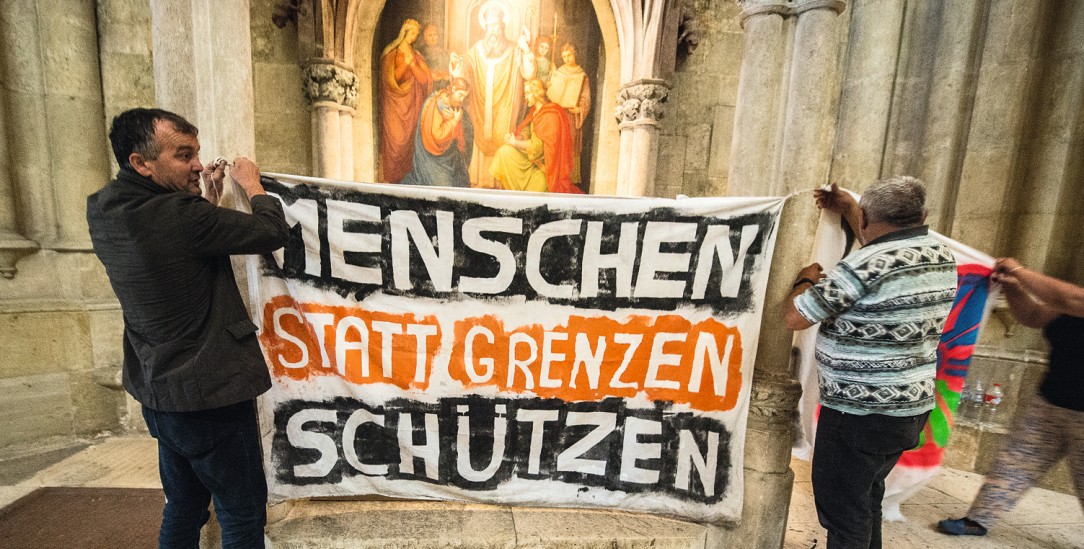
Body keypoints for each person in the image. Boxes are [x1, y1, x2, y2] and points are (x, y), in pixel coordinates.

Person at [86, 108, 289, 548]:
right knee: (242, 513)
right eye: (183, 156)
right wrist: (253, 186)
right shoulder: (184, 217)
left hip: (160, 395)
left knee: (184, 506)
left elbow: (172, 251)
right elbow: (270, 230)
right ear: (140, 162)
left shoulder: (103, 209)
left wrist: (203, 203)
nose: (198, 164)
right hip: (210, 396)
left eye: (196, 153)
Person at [783, 178, 958, 549]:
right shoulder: (937, 253)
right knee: (866, 499)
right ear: (923, 215)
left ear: (864, 217)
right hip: (907, 409)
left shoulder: (862, 265)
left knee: (844, 511)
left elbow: (796, 317)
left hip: (859, 413)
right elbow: (883, 262)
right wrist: (849, 207)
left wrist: (804, 280)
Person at [938, 259, 1084, 536]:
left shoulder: (1075, 299)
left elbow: (1071, 298)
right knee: (1014, 463)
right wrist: (1014, 288)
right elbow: (1033, 316)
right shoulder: (1069, 304)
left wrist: (1019, 271)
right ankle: (978, 519)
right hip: (1051, 400)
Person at [449, 4, 535, 188]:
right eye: (489, 26)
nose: (492, 31)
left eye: (496, 26)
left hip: (504, 107)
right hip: (481, 106)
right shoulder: (477, 49)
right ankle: (482, 181)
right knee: (481, 143)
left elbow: (528, 74)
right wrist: (457, 65)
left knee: (502, 138)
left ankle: (500, 183)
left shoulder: (513, 50)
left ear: (503, 27)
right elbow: (464, 67)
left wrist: (526, 51)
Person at [490, 78, 582, 194]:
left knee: (536, 191)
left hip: (545, 170)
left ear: (536, 93)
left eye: (528, 93)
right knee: (504, 152)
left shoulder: (550, 115)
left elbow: (537, 148)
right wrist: (519, 138)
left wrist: (515, 143)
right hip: (531, 160)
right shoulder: (535, 111)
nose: (526, 96)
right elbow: (527, 130)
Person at [379, 19, 433, 183]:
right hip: (395, 104)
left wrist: (413, 66)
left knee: (410, 140)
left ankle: (408, 179)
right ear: (404, 32)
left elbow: (425, 79)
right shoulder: (391, 53)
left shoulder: (417, 56)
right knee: (396, 140)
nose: (414, 37)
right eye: (411, 33)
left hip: (413, 104)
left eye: (416, 35)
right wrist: (406, 66)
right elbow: (390, 80)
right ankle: (391, 179)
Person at [400, 77, 474, 187]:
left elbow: (461, 127)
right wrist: (454, 120)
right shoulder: (437, 106)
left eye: (464, 96)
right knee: (445, 188)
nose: (462, 99)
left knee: (463, 180)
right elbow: (438, 136)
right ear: (453, 89)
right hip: (433, 158)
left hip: (449, 153)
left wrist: (455, 119)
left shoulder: (448, 99)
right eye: (460, 95)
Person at [546, 43, 591, 184]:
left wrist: (580, 110)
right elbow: (551, 93)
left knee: (569, 144)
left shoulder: (582, 75)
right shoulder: (558, 72)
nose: (566, 59)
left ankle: (567, 177)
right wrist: (550, 84)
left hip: (572, 116)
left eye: (569, 55)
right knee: (557, 143)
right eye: (564, 56)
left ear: (575, 54)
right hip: (558, 114)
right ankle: (555, 174)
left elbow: (586, 98)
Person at [418, 23, 451, 90]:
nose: (433, 38)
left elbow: (448, 70)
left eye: (435, 34)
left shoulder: (445, 52)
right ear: (424, 37)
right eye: (430, 35)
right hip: (427, 87)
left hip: (443, 86)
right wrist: (430, 74)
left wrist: (446, 74)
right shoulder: (419, 53)